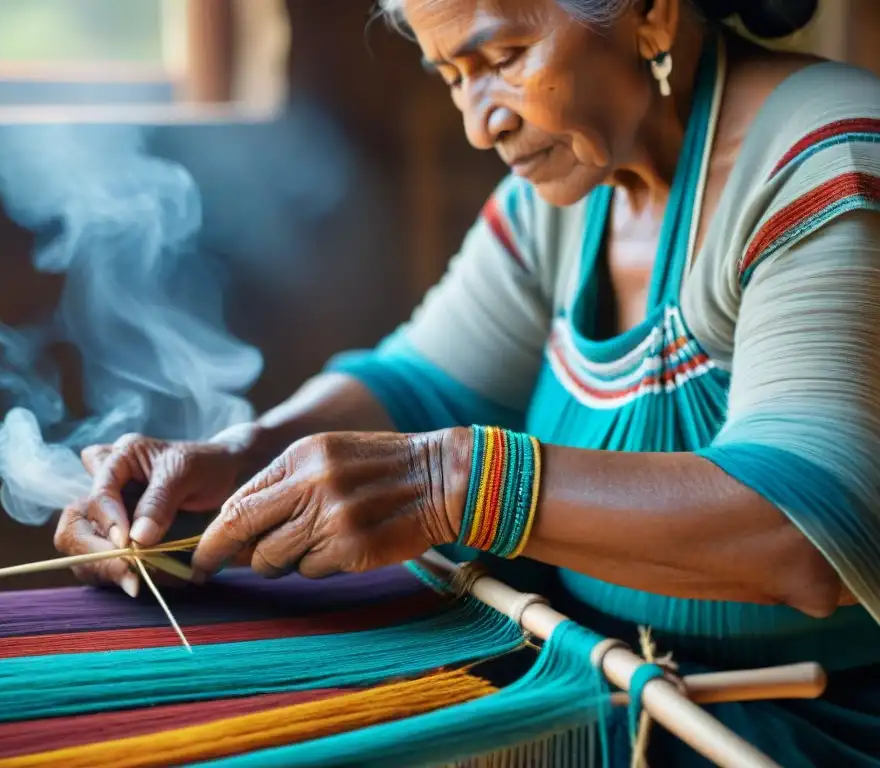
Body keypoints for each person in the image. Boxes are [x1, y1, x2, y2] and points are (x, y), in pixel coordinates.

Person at [55, 0, 880, 763]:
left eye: (506, 57)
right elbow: (419, 380)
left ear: (651, 15)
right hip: (601, 679)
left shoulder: (827, 159)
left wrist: (452, 482)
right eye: (452, 76)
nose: (481, 124)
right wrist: (237, 459)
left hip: (788, 725)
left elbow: (806, 540)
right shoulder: (575, 186)